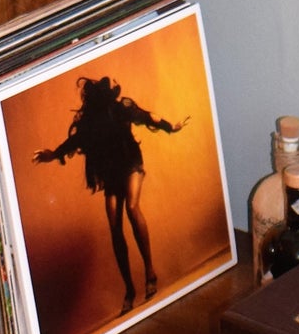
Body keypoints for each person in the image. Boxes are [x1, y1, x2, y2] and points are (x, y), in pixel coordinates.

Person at [34, 76, 189, 313]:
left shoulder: (121, 107)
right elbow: (73, 141)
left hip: (131, 164)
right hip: (111, 173)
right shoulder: (89, 123)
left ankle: (150, 273)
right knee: (114, 225)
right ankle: (129, 289)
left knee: (132, 208)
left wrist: (171, 127)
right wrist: (52, 155)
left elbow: (148, 117)